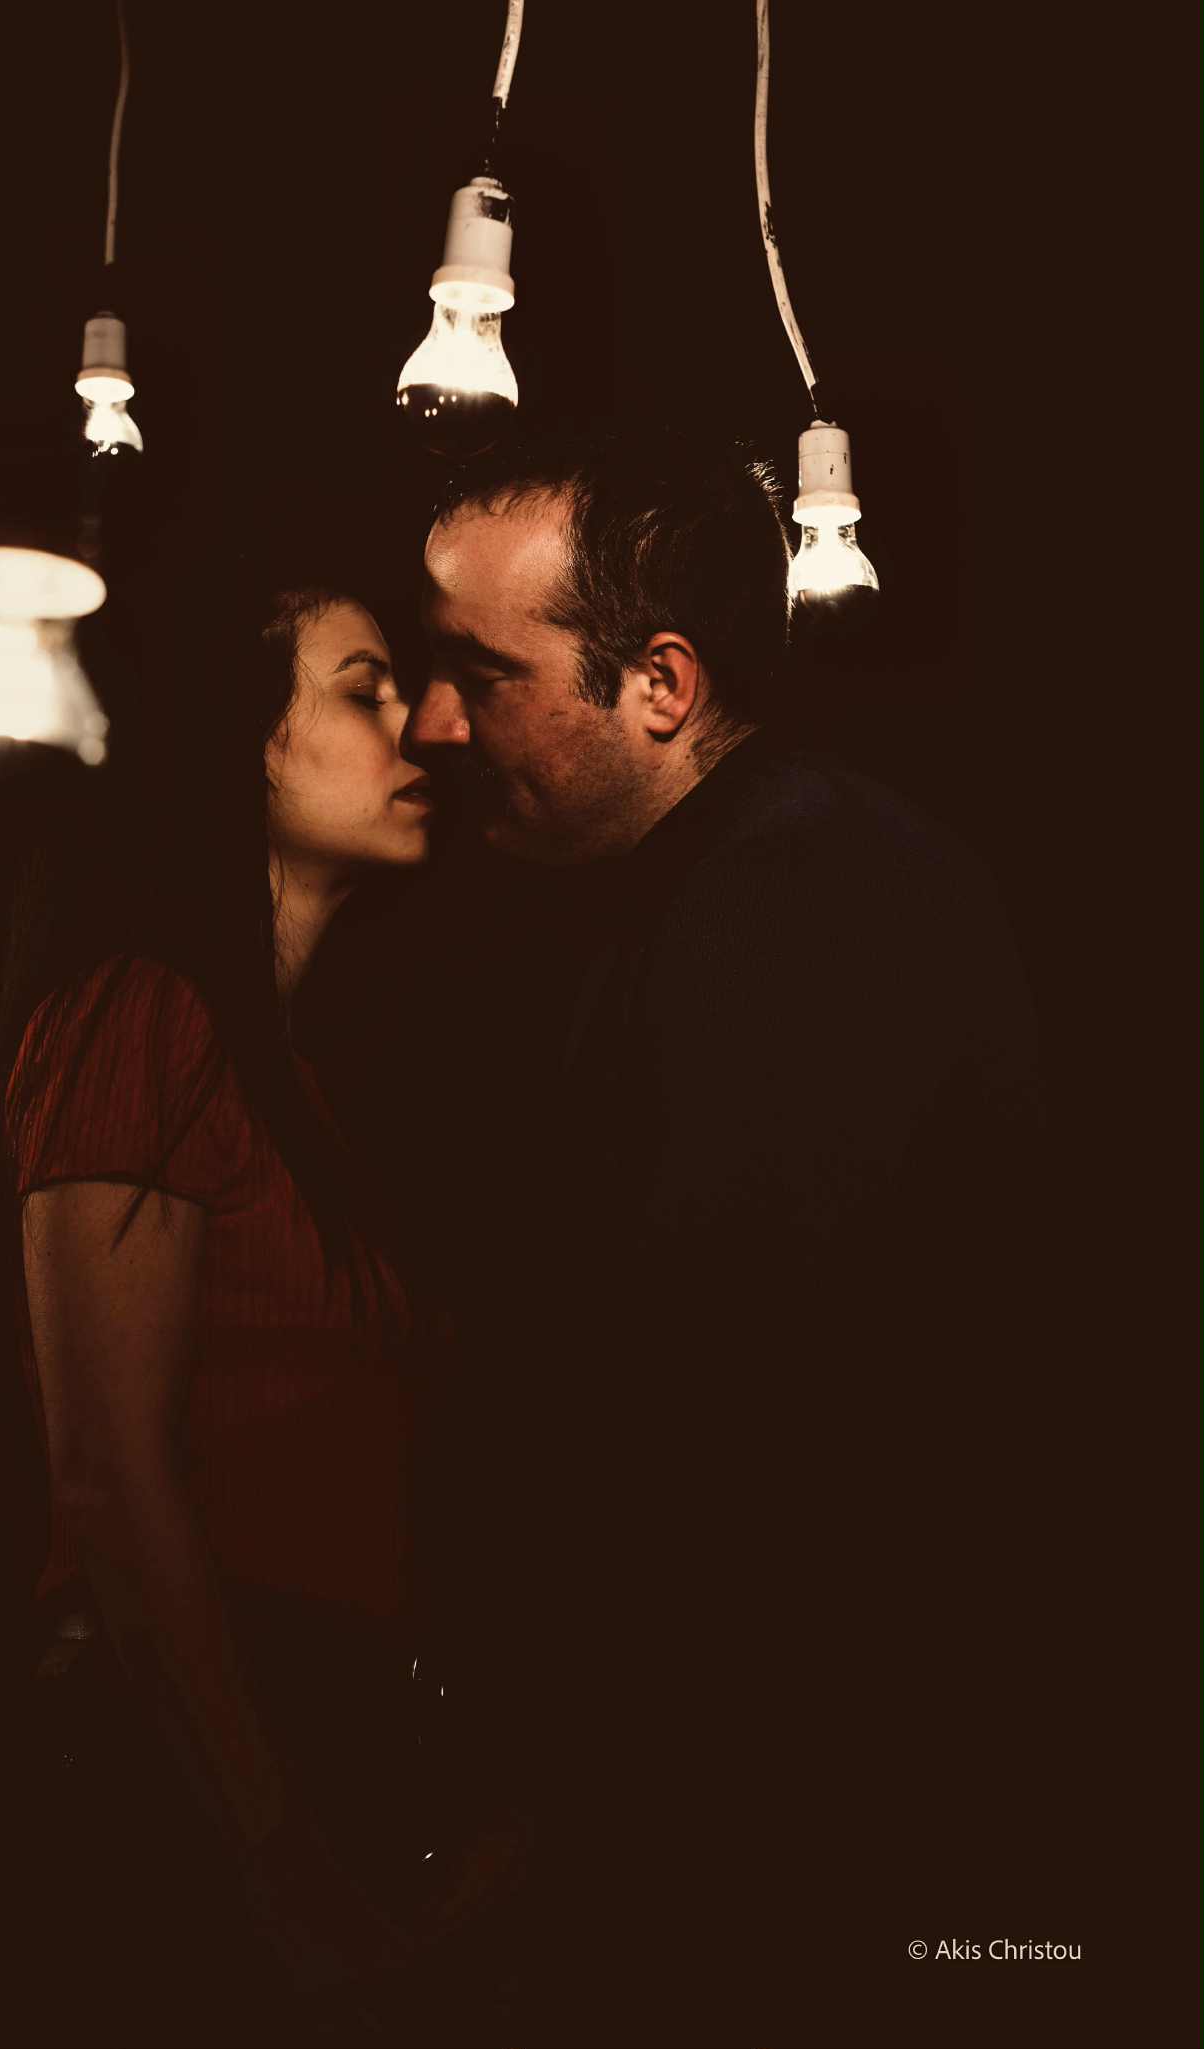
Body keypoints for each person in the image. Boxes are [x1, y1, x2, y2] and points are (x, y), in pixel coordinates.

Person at [398, 424, 1054, 2043]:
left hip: (794, 1848)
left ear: (660, 684)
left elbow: (721, 1427)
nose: (432, 722)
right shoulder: (723, 879)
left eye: (480, 674)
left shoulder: (798, 892)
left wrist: (563, 1807)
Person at [0, 578, 446, 2040]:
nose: (425, 725)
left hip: (307, 1721)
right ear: (248, 742)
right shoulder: (143, 1017)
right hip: (182, 1765)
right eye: (364, 690)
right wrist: (279, 1863)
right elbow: (109, 1477)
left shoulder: (291, 1075)